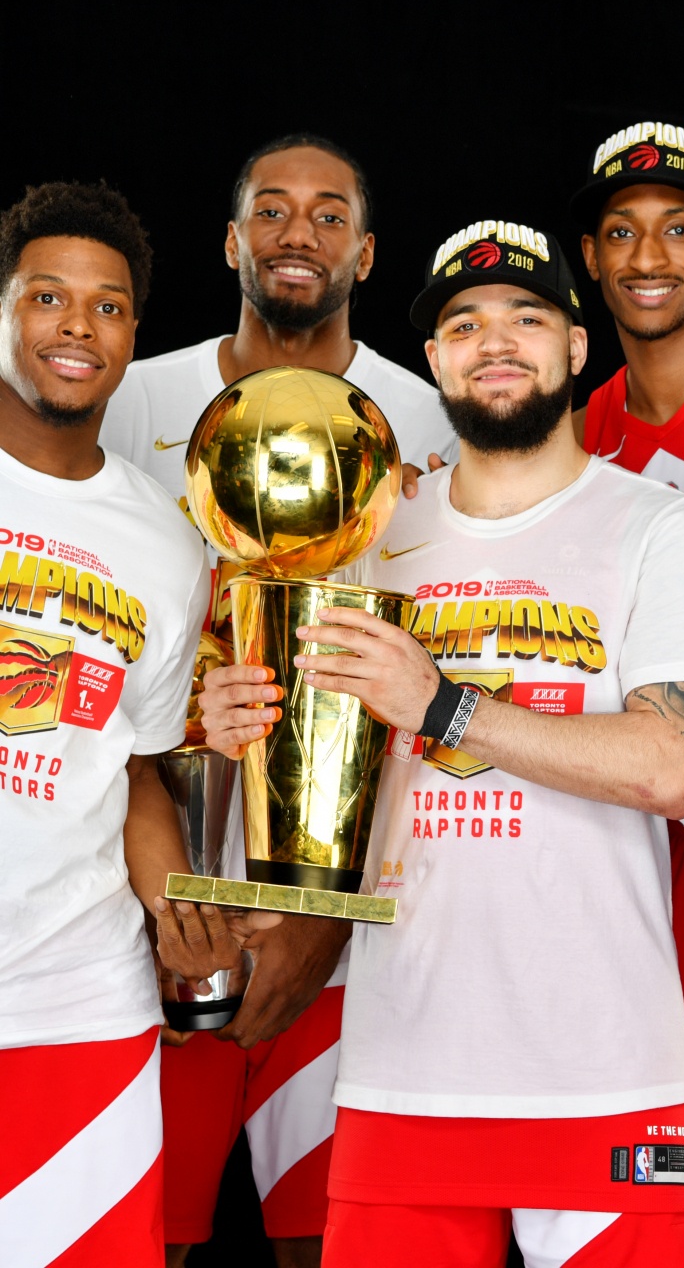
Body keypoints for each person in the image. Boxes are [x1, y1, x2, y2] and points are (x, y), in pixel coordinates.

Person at [193, 215, 684, 1266]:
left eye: (528, 316)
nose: (496, 340)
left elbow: (671, 764)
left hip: (605, 1070)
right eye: (465, 322)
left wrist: (444, 705)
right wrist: (231, 729)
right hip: (403, 1070)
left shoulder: (663, 528)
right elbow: (303, 767)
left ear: (578, 348)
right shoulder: (370, 532)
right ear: (431, 358)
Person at [102, 133, 455, 1268]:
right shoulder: (129, 396)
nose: (297, 232)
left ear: (363, 253)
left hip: (347, 920)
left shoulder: (429, 415)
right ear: (230, 238)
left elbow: (438, 677)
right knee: (142, 1233)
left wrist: (319, 911)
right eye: (271, 209)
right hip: (151, 900)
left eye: (328, 214)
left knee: (336, 1238)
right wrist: (157, 894)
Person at [0, 181, 226, 1266]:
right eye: (48, 296)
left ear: (135, 334)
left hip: (77, 1002)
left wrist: (179, 900)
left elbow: (139, 766)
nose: (76, 325)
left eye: (107, 305)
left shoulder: (167, 545)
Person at [571, 118, 684, 1268]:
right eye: (622, 232)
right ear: (590, 256)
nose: (649, 254)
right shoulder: (583, 431)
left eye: (678, 227)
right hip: (635, 840)